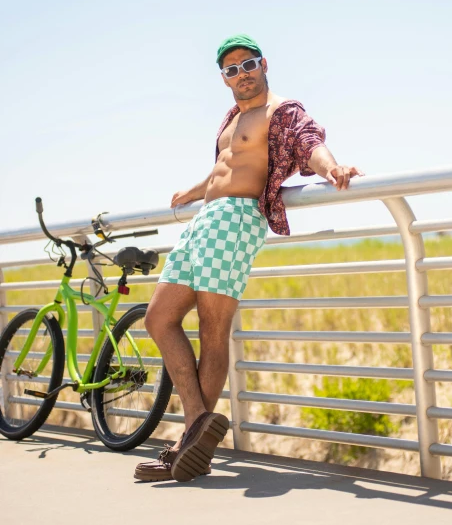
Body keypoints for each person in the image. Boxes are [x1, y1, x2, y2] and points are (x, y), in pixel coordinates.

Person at [134, 34, 363, 483]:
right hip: (205, 218)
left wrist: (332, 168)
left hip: (237, 219)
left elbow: (308, 143)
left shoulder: (282, 111)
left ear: (264, 64)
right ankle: (199, 424)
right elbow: (224, 166)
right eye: (232, 69)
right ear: (224, 79)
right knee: (158, 318)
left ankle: (188, 442)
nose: (242, 73)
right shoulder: (230, 117)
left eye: (249, 63)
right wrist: (194, 191)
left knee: (212, 328)